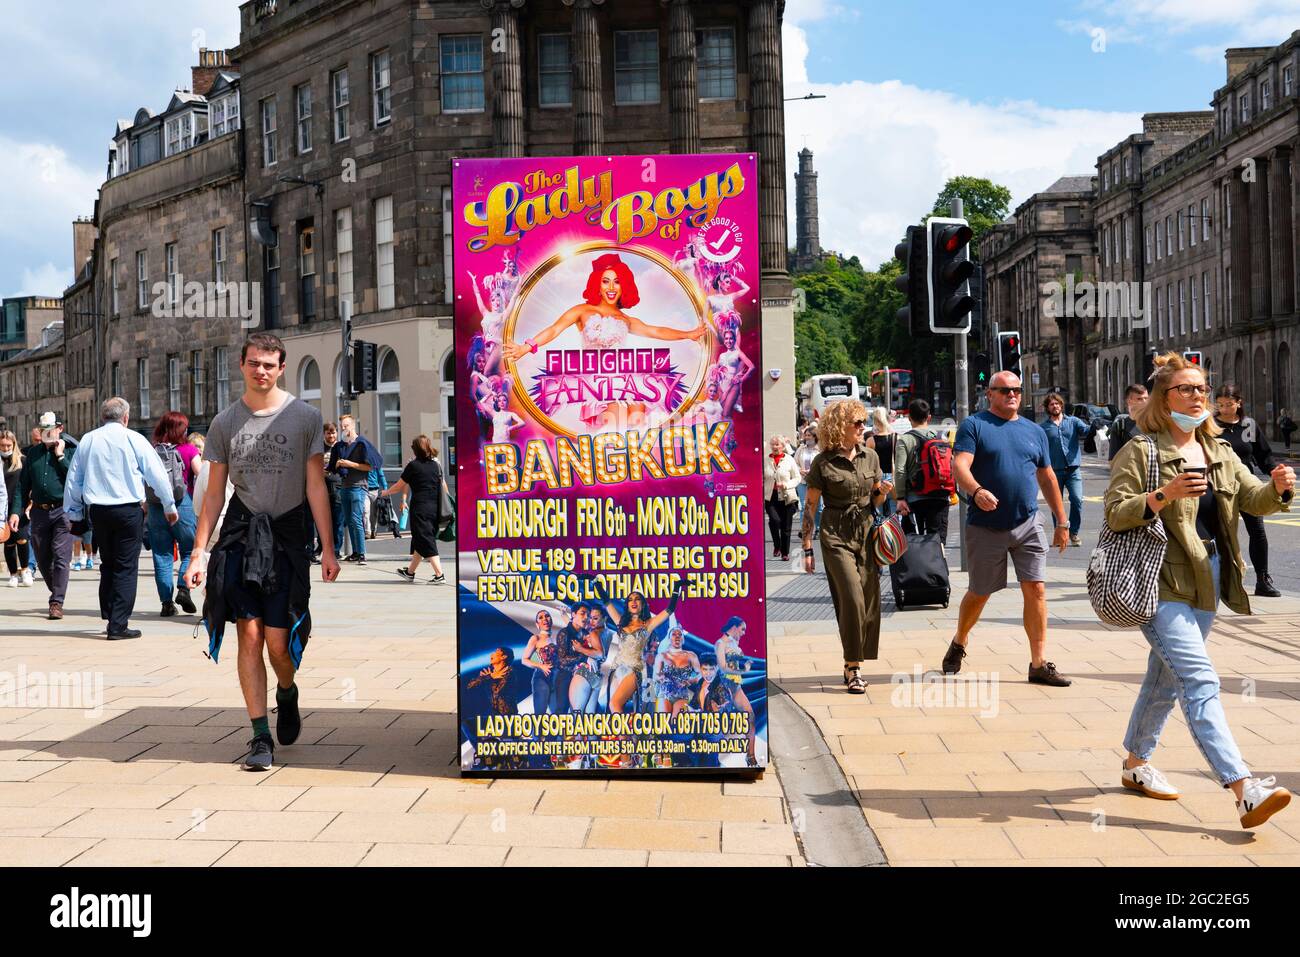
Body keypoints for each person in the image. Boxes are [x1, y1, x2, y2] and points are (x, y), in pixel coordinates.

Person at [1106, 352, 1294, 829]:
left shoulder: (1220, 451)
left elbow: (1253, 499)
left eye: (1202, 390)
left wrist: (1277, 487)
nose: (1198, 397)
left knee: (1165, 678)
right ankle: (1243, 788)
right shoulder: (1141, 451)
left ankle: (1134, 765)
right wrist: (1162, 495)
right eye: (1187, 389)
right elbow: (1114, 512)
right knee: (1200, 679)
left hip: (1208, 575)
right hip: (1159, 577)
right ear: (1163, 399)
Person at [186, 332, 339, 772]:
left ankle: (286, 692)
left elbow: (315, 486)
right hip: (241, 534)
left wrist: (328, 548)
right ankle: (258, 736)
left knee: (278, 642)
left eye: (269, 364)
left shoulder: (304, 417)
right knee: (248, 634)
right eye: (254, 363)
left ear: (281, 367)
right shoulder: (225, 423)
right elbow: (214, 494)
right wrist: (199, 552)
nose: (261, 370)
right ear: (242, 365)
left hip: (288, 536)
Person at [944, 372, 1072, 686]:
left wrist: (1062, 521)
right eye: (1005, 390)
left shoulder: (1034, 431)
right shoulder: (975, 425)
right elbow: (959, 465)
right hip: (986, 526)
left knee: (1036, 589)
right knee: (980, 592)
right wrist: (976, 491)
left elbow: (1048, 477)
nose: (1012, 395)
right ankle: (960, 640)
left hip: (1028, 522)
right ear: (991, 393)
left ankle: (1039, 664)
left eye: (1016, 390)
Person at [62, 398, 179, 638]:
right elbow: (156, 473)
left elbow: (74, 479)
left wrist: (72, 511)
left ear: (102, 417)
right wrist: (169, 504)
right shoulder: (134, 439)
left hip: (99, 510)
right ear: (125, 417)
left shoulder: (89, 440)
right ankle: (118, 624)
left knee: (108, 562)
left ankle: (109, 612)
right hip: (128, 510)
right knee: (126, 566)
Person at [801, 399, 894, 695]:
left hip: (865, 531)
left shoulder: (870, 456)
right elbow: (811, 505)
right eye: (856, 422)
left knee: (868, 600)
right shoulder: (823, 462)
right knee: (852, 597)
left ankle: (854, 659)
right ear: (839, 426)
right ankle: (853, 667)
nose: (861, 427)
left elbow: (876, 502)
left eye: (863, 422)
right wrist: (806, 546)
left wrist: (881, 492)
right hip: (835, 533)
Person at [1213, 384, 1280, 597]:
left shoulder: (1248, 425)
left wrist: (1275, 473)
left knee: (1257, 531)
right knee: (1221, 534)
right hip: (1220, 485)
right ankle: (1220, 581)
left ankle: (1263, 579)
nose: (1224, 409)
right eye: (1220, 404)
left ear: (1239, 403)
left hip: (1246, 484)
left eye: (1229, 404)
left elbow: (1264, 455)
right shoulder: (1210, 425)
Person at [10, 412, 77, 620]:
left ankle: (56, 601)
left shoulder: (70, 451)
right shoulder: (33, 454)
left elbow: (74, 479)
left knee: (61, 557)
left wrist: (60, 456)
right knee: (41, 558)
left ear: (60, 428)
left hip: (62, 510)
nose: (46, 433)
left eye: (50, 429)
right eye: (42, 430)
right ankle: (56, 587)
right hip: (39, 511)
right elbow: (23, 486)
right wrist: (15, 511)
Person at [146, 411, 202, 617]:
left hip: (155, 507)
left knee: (162, 555)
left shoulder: (152, 450)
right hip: (182, 505)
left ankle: (166, 603)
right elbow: (201, 474)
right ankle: (183, 588)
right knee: (189, 550)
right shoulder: (188, 449)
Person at [380, 435, 448, 584]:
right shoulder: (435, 465)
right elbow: (443, 486)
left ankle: (439, 574)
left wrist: (385, 492)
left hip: (420, 508)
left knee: (426, 539)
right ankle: (410, 572)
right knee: (420, 540)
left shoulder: (413, 466)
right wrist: (448, 502)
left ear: (415, 449)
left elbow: (399, 486)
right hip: (435, 507)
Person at [1039, 392, 1100, 546]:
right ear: (1048, 407)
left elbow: (1086, 431)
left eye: (1057, 403)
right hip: (1053, 471)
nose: (1055, 406)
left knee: (1077, 499)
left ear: (1061, 405)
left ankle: (1073, 533)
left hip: (1073, 470)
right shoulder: (1043, 427)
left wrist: (1095, 426)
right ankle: (1059, 533)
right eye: (1052, 404)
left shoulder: (1073, 421)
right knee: (1055, 503)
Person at [893, 398, 952, 542]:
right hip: (940, 495)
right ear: (929, 417)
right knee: (938, 541)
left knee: (914, 542)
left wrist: (900, 497)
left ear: (909, 418)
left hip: (915, 498)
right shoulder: (941, 438)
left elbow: (900, 471)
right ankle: (939, 563)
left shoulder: (905, 439)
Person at [327, 413, 381, 566]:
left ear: (353, 426)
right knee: (350, 520)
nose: (344, 429)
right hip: (344, 486)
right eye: (342, 427)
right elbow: (331, 468)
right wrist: (337, 465)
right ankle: (356, 552)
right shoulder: (339, 446)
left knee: (356, 519)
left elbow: (370, 466)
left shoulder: (362, 444)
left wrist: (349, 464)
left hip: (358, 486)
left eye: (346, 426)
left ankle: (362, 554)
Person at [763, 434, 801, 562]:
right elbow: (760, 478)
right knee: (774, 521)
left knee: (786, 526)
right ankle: (777, 545)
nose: (774, 447)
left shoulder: (789, 459)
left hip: (787, 496)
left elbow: (797, 478)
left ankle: (785, 552)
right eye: (773, 444)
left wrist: (786, 484)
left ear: (783, 446)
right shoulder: (765, 460)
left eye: (777, 444)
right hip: (770, 497)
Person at [2, 431, 33, 588]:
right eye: (2, 445)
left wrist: (30, 502)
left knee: (22, 538)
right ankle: (13, 574)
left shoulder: (22, 461)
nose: (5, 448)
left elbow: (30, 484)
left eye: (8, 445)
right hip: (3, 507)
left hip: (20, 505)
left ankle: (26, 569)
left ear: (14, 445)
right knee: (8, 542)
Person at [865, 407, 896, 519]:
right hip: (893, 477)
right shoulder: (896, 437)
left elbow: (868, 465)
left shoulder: (870, 441)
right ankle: (895, 535)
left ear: (875, 421)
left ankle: (881, 536)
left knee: (878, 515)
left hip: (877, 479)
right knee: (895, 514)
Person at [1107, 384, 1149, 463]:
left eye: (1146, 398)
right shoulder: (1120, 426)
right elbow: (1113, 459)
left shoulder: (1155, 423)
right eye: (1139, 399)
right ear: (1129, 401)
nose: (1144, 402)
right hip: (1130, 472)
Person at [321, 422, 343, 560]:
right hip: (321, 487)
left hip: (337, 487)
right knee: (322, 521)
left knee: (337, 521)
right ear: (324, 434)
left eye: (333, 432)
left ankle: (336, 550)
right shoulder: (318, 448)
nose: (331, 435)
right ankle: (321, 548)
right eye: (328, 433)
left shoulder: (341, 447)